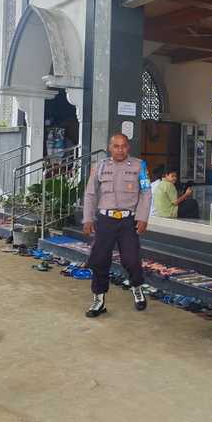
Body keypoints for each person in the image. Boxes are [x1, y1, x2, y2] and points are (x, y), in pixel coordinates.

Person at [82, 133, 151, 317]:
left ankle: (137, 287)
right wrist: (88, 218)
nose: (120, 150)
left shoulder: (139, 166)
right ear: (109, 148)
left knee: (131, 260)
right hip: (105, 220)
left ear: (128, 147)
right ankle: (99, 300)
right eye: (116, 146)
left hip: (128, 221)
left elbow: (146, 192)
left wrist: (143, 217)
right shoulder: (99, 166)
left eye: (124, 146)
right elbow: (90, 194)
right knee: (99, 260)